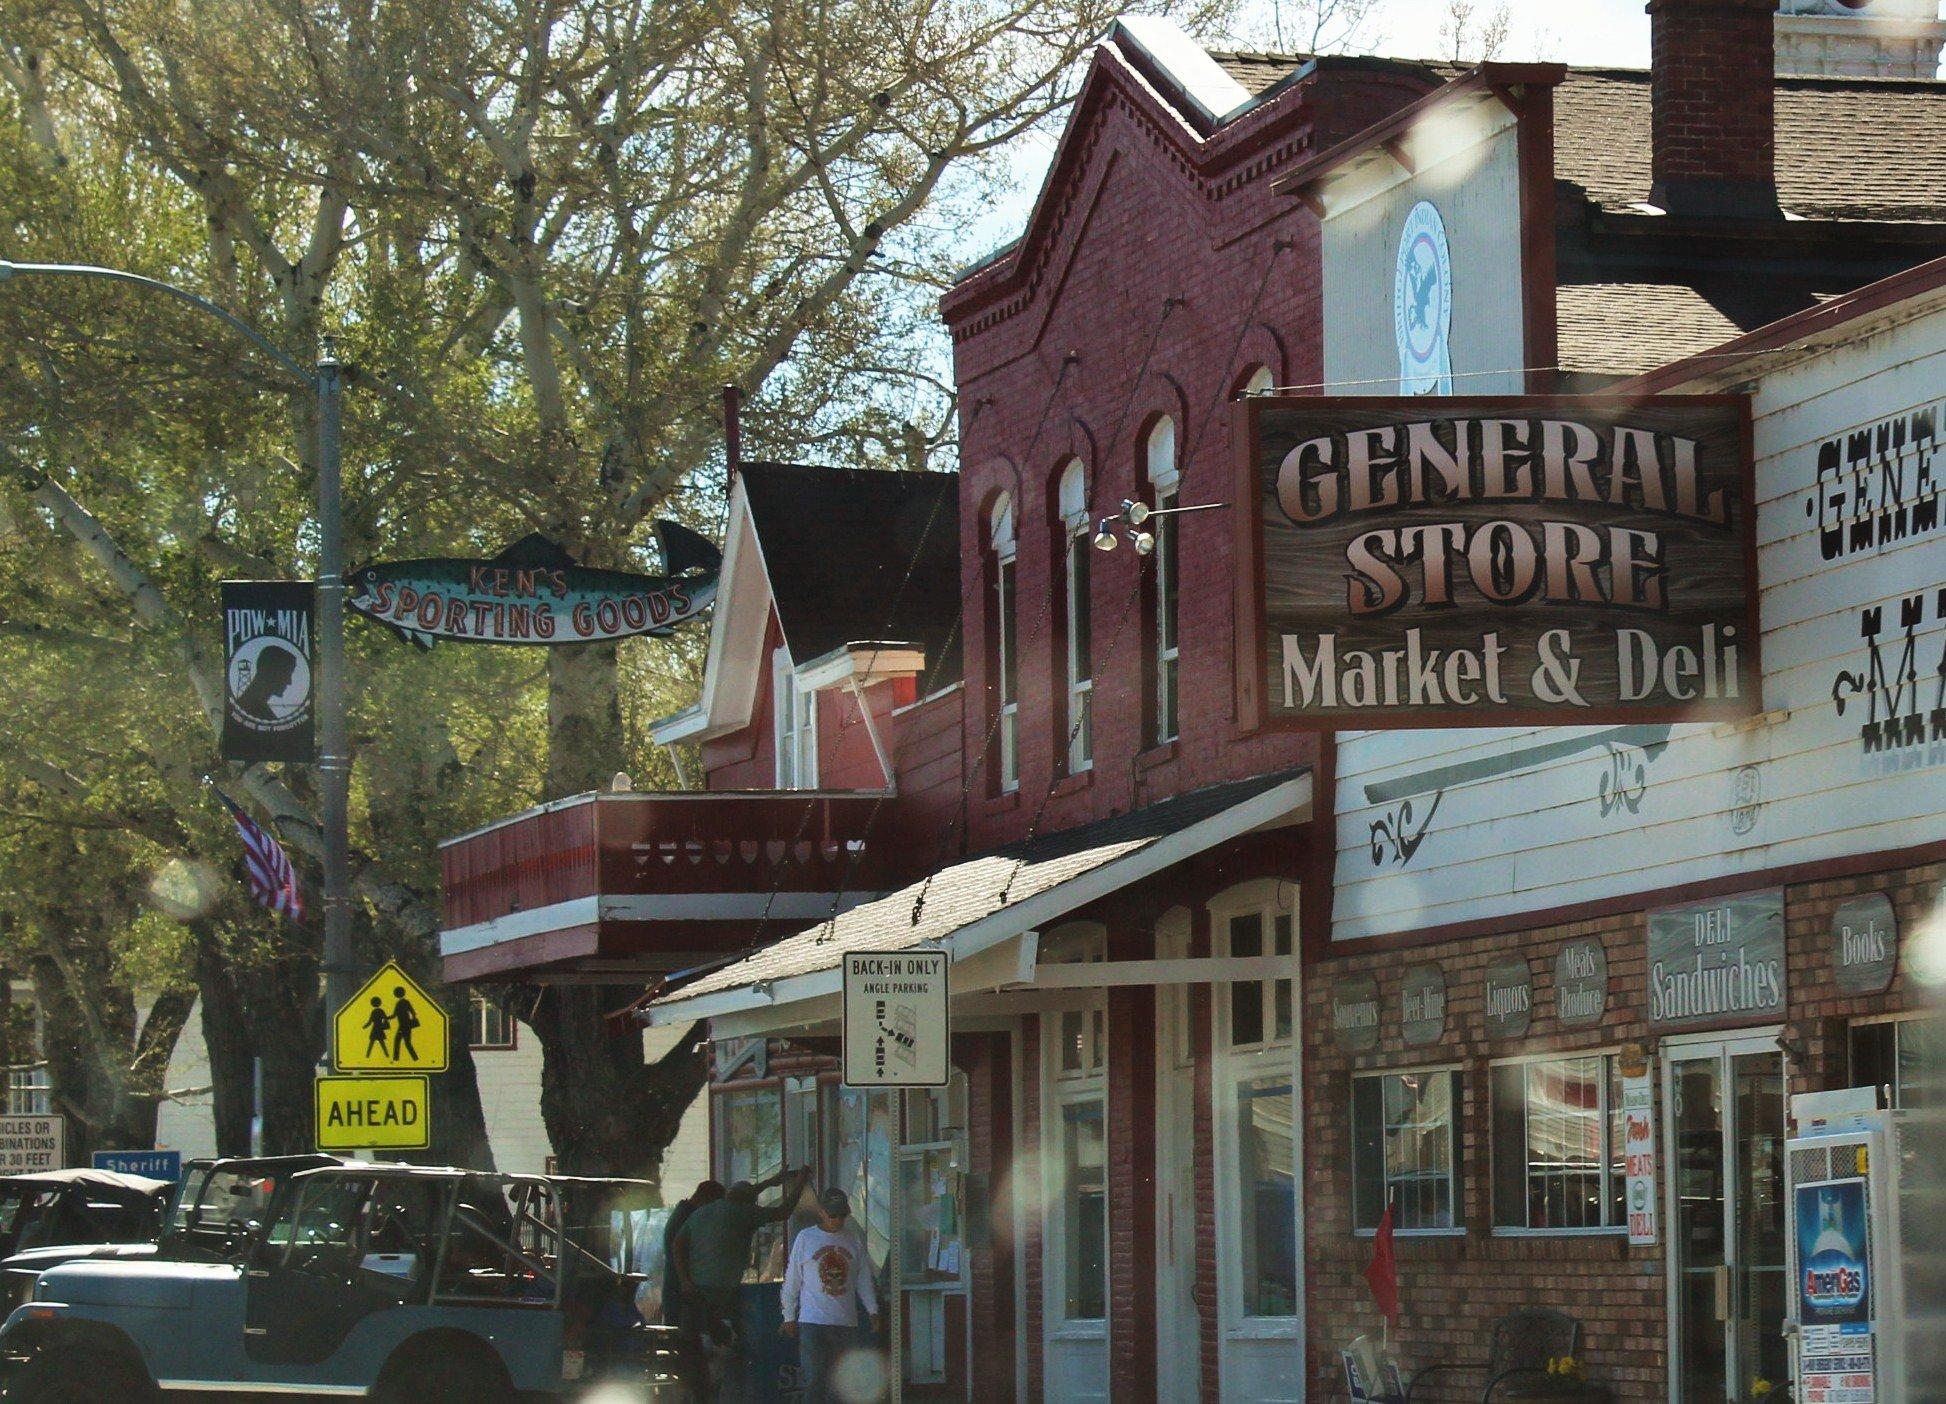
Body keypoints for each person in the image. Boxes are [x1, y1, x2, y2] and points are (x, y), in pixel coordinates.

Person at [672, 1165, 810, 1350]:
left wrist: (684, 1280)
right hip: (723, 1291)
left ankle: (694, 1375)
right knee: (732, 1342)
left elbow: (677, 1244)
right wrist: (800, 1183)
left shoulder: (700, 1213)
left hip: (694, 1290)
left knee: (692, 1344)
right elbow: (783, 1212)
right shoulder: (745, 1212)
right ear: (749, 1202)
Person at [779, 1189, 879, 1404]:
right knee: (815, 1379)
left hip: (846, 1322)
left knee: (841, 1384)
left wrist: (873, 1310)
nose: (838, 1220)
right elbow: (793, 1279)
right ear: (821, 1213)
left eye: (842, 1215)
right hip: (812, 1321)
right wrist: (788, 1315)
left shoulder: (853, 1240)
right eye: (833, 1215)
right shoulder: (806, 1238)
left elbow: (863, 1279)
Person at [660, 1179, 724, 1326]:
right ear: (707, 1199)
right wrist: (685, 1281)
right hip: (681, 1289)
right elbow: (678, 1249)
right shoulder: (686, 1217)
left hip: (680, 1287)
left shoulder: (684, 1213)